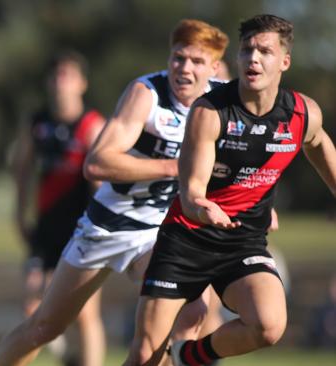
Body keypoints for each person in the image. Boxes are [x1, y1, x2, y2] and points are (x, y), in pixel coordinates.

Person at [0, 19, 229, 366]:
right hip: (108, 225)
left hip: (160, 232)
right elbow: (97, 163)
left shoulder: (223, 100)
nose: (184, 68)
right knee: (44, 327)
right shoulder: (146, 94)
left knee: (191, 312)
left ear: (214, 67)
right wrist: (170, 167)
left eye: (196, 61)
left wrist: (257, 202)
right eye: (178, 57)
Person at [125, 14, 336, 366]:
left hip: (243, 243)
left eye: (264, 51)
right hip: (187, 240)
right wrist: (203, 207)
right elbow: (191, 192)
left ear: (284, 61)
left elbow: (318, 145)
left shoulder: (302, 113)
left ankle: (188, 356)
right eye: (247, 50)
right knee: (145, 355)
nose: (253, 58)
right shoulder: (210, 111)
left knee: (269, 325)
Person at [12, 50, 106, 365]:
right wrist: (19, 212)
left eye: (67, 75)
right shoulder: (37, 123)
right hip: (46, 226)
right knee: (31, 304)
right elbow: (23, 170)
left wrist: (101, 225)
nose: (60, 81)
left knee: (86, 311)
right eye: (55, 75)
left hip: (82, 227)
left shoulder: (93, 125)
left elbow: (103, 182)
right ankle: (61, 354)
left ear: (82, 83)